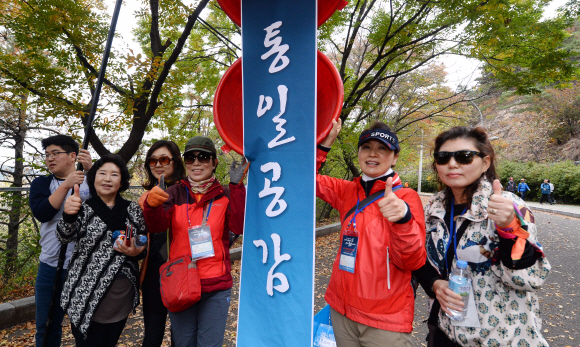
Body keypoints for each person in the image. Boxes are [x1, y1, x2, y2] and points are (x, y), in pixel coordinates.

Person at [414, 126, 550, 346]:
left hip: (502, 336)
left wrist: (509, 228)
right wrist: (435, 283)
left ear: (485, 162)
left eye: (464, 157)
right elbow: (420, 258)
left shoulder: (509, 206)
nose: (452, 164)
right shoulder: (433, 208)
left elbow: (529, 278)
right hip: (445, 329)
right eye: (442, 157)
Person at [316, 119, 426, 347]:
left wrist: (404, 220)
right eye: (366, 147)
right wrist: (325, 144)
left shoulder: (406, 198)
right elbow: (301, 178)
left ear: (395, 157)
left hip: (384, 320)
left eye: (382, 149)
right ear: (358, 152)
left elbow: (412, 261)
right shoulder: (347, 191)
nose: (373, 154)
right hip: (342, 311)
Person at [143, 136, 247, 347]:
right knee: (183, 343)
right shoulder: (174, 193)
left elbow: (239, 227)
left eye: (204, 157)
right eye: (191, 158)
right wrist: (151, 207)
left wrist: (237, 187)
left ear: (214, 162)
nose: (197, 163)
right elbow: (157, 227)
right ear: (185, 162)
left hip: (215, 284)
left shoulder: (226, 195)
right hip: (181, 282)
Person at [56, 154, 147, 347]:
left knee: (110, 341)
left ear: (121, 180)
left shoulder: (133, 209)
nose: (107, 179)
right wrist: (68, 215)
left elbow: (143, 242)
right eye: (102, 173)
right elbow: (64, 237)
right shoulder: (82, 207)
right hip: (85, 291)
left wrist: (136, 251)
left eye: (114, 174)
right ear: (93, 177)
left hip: (120, 293)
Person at [29, 135, 92, 347]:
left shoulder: (90, 182)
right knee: (47, 325)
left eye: (55, 153)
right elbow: (43, 213)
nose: (50, 159)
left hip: (83, 266)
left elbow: (109, 207)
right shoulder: (41, 183)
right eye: (47, 155)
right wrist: (66, 185)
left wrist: (92, 172)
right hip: (50, 265)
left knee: (85, 326)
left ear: (73, 156)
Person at [139, 140, 186, 347]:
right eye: (153, 160)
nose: (158, 164)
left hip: (183, 272)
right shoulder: (144, 198)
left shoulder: (188, 193)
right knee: (152, 333)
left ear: (175, 162)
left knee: (181, 335)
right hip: (153, 273)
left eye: (164, 159)